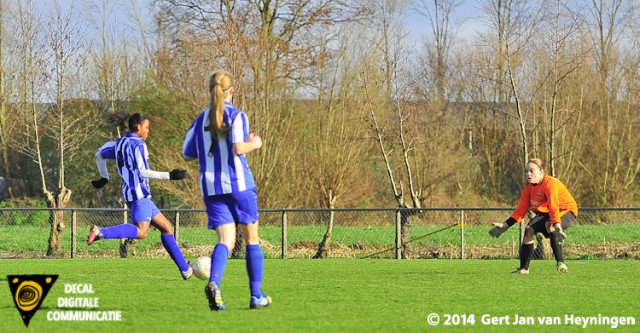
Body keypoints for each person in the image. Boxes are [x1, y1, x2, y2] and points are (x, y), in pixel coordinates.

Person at [182, 71, 271, 311]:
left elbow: (187, 152)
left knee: (226, 240)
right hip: (239, 185)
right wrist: (256, 142)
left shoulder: (201, 119)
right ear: (232, 91)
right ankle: (256, 296)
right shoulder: (237, 115)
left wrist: (208, 152)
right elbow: (239, 147)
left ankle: (214, 284)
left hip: (212, 189)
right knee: (252, 239)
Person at [88, 112, 193, 281]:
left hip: (134, 194)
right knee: (142, 232)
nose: (148, 131)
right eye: (147, 127)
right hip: (139, 194)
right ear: (138, 128)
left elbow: (99, 154)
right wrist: (170, 176)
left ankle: (185, 269)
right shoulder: (139, 145)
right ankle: (101, 232)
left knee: (167, 227)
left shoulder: (119, 143)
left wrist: (104, 177)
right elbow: (142, 171)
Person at [489, 158, 578, 274]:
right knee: (528, 230)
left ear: (541, 171)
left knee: (549, 225)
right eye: (526, 171)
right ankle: (524, 269)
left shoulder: (551, 184)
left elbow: (553, 207)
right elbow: (520, 210)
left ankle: (561, 263)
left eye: (531, 171)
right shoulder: (529, 188)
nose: (528, 174)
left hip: (566, 210)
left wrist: (557, 224)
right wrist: (505, 225)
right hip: (547, 212)